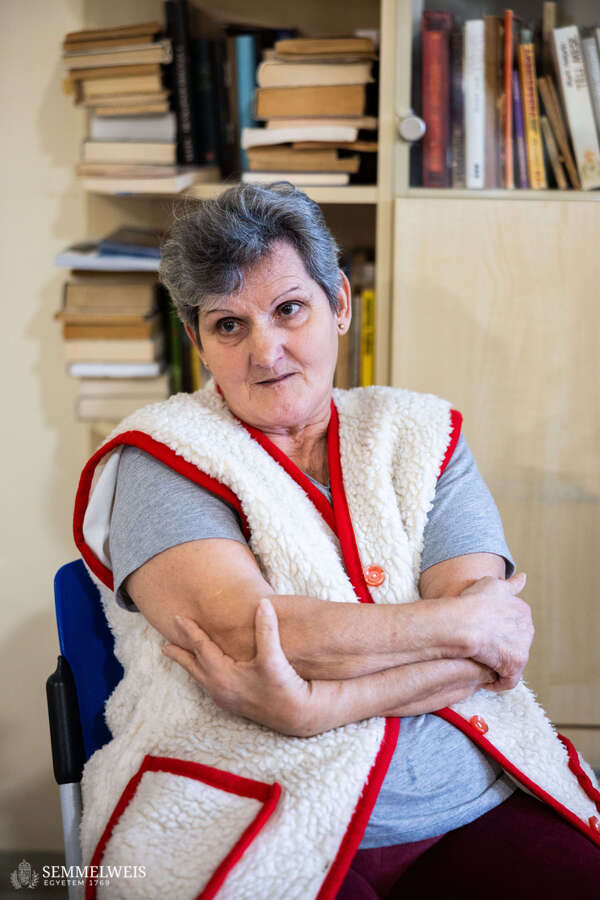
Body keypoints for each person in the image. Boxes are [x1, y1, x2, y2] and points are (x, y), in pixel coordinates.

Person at [74, 183, 600, 900]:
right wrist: (463, 624)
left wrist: (315, 706)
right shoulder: (162, 455)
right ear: (197, 343)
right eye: (229, 325)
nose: (266, 350)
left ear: (341, 305)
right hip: (253, 803)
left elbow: (488, 650)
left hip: (467, 793)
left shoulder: (423, 435)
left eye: (290, 308)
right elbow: (254, 635)